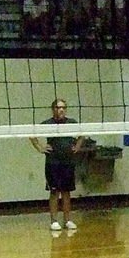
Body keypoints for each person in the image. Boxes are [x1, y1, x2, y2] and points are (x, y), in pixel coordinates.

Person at [29, 99, 85, 231]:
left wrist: (77, 146)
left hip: (68, 161)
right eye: (59, 107)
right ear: (53, 109)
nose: (61, 110)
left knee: (66, 192)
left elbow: (82, 134)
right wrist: (40, 147)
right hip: (53, 162)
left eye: (64, 108)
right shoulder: (47, 124)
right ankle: (54, 221)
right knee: (54, 192)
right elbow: (32, 135)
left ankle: (67, 220)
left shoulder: (72, 122)